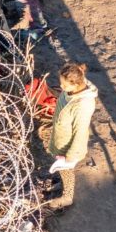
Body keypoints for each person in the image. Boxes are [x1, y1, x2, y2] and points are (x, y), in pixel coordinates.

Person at [46, 62, 98, 209]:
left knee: (66, 170)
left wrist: (71, 156)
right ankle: (61, 183)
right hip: (62, 137)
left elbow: (80, 132)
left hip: (69, 144)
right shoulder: (72, 91)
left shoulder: (82, 105)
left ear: (76, 84)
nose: (61, 87)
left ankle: (67, 197)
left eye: (64, 85)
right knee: (62, 169)